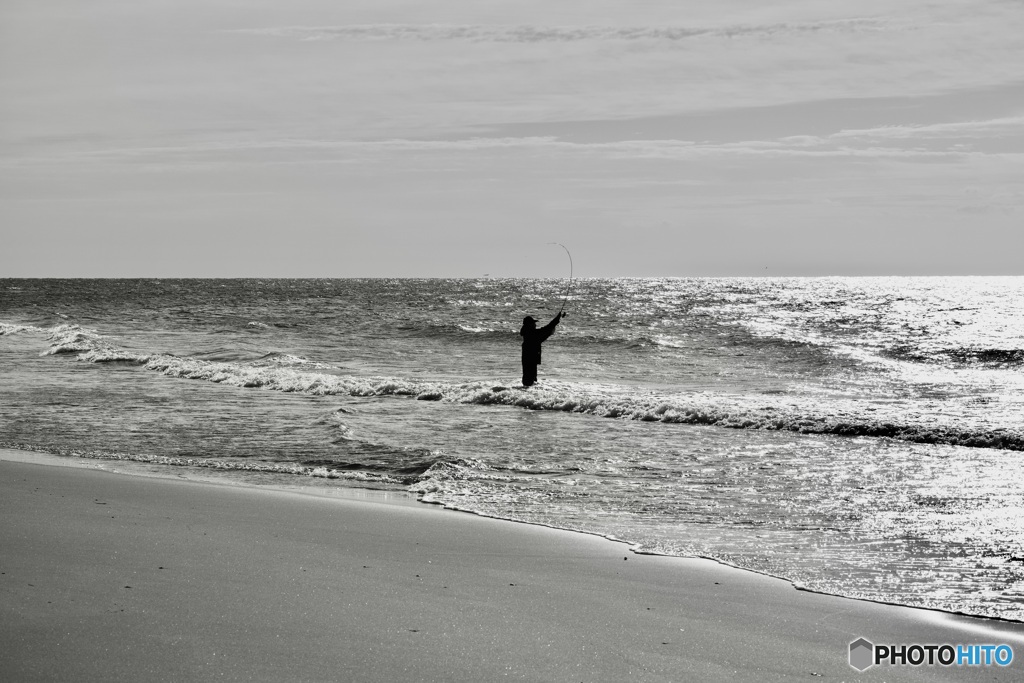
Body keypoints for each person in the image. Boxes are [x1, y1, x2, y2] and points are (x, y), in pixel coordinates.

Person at [520, 311, 563, 387]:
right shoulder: (532, 333)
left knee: (529, 378)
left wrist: (550, 331)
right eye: (533, 323)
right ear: (529, 324)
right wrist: (557, 319)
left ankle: (526, 394)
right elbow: (547, 328)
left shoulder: (528, 334)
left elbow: (541, 337)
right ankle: (526, 395)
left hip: (529, 359)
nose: (535, 324)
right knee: (530, 378)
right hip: (531, 359)